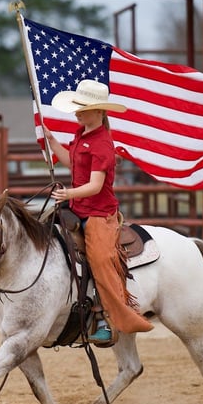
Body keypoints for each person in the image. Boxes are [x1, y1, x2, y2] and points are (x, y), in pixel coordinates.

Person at [43, 79, 154, 344]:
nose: (78, 111)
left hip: (98, 212)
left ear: (100, 112)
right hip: (78, 206)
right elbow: (73, 162)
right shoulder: (81, 134)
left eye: (84, 107)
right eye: (78, 107)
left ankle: (110, 317)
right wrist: (52, 141)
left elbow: (95, 186)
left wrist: (68, 194)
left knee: (101, 260)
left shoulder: (103, 142)